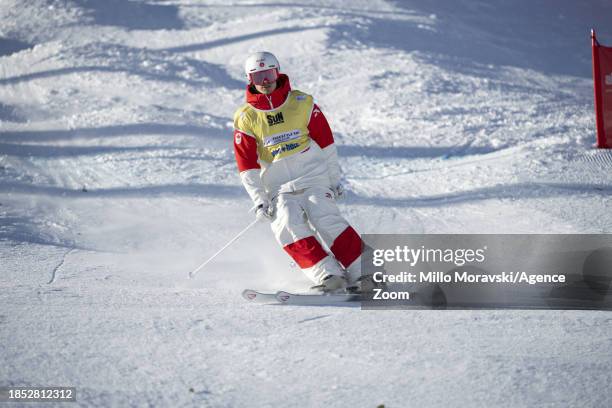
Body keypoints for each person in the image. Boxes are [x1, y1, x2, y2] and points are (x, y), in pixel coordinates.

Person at [232, 51, 367, 292]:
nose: (265, 82)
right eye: (258, 77)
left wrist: (334, 180)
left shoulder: (302, 103)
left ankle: (367, 272)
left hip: (313, 176)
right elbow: (247, 165)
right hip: (278, 186)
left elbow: (326, 143)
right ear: (249, 80)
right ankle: (328, 276)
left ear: (278, 72)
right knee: (286, 223)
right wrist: (259, 199)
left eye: (269, 74)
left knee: (325, 216)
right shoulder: (246, 117)